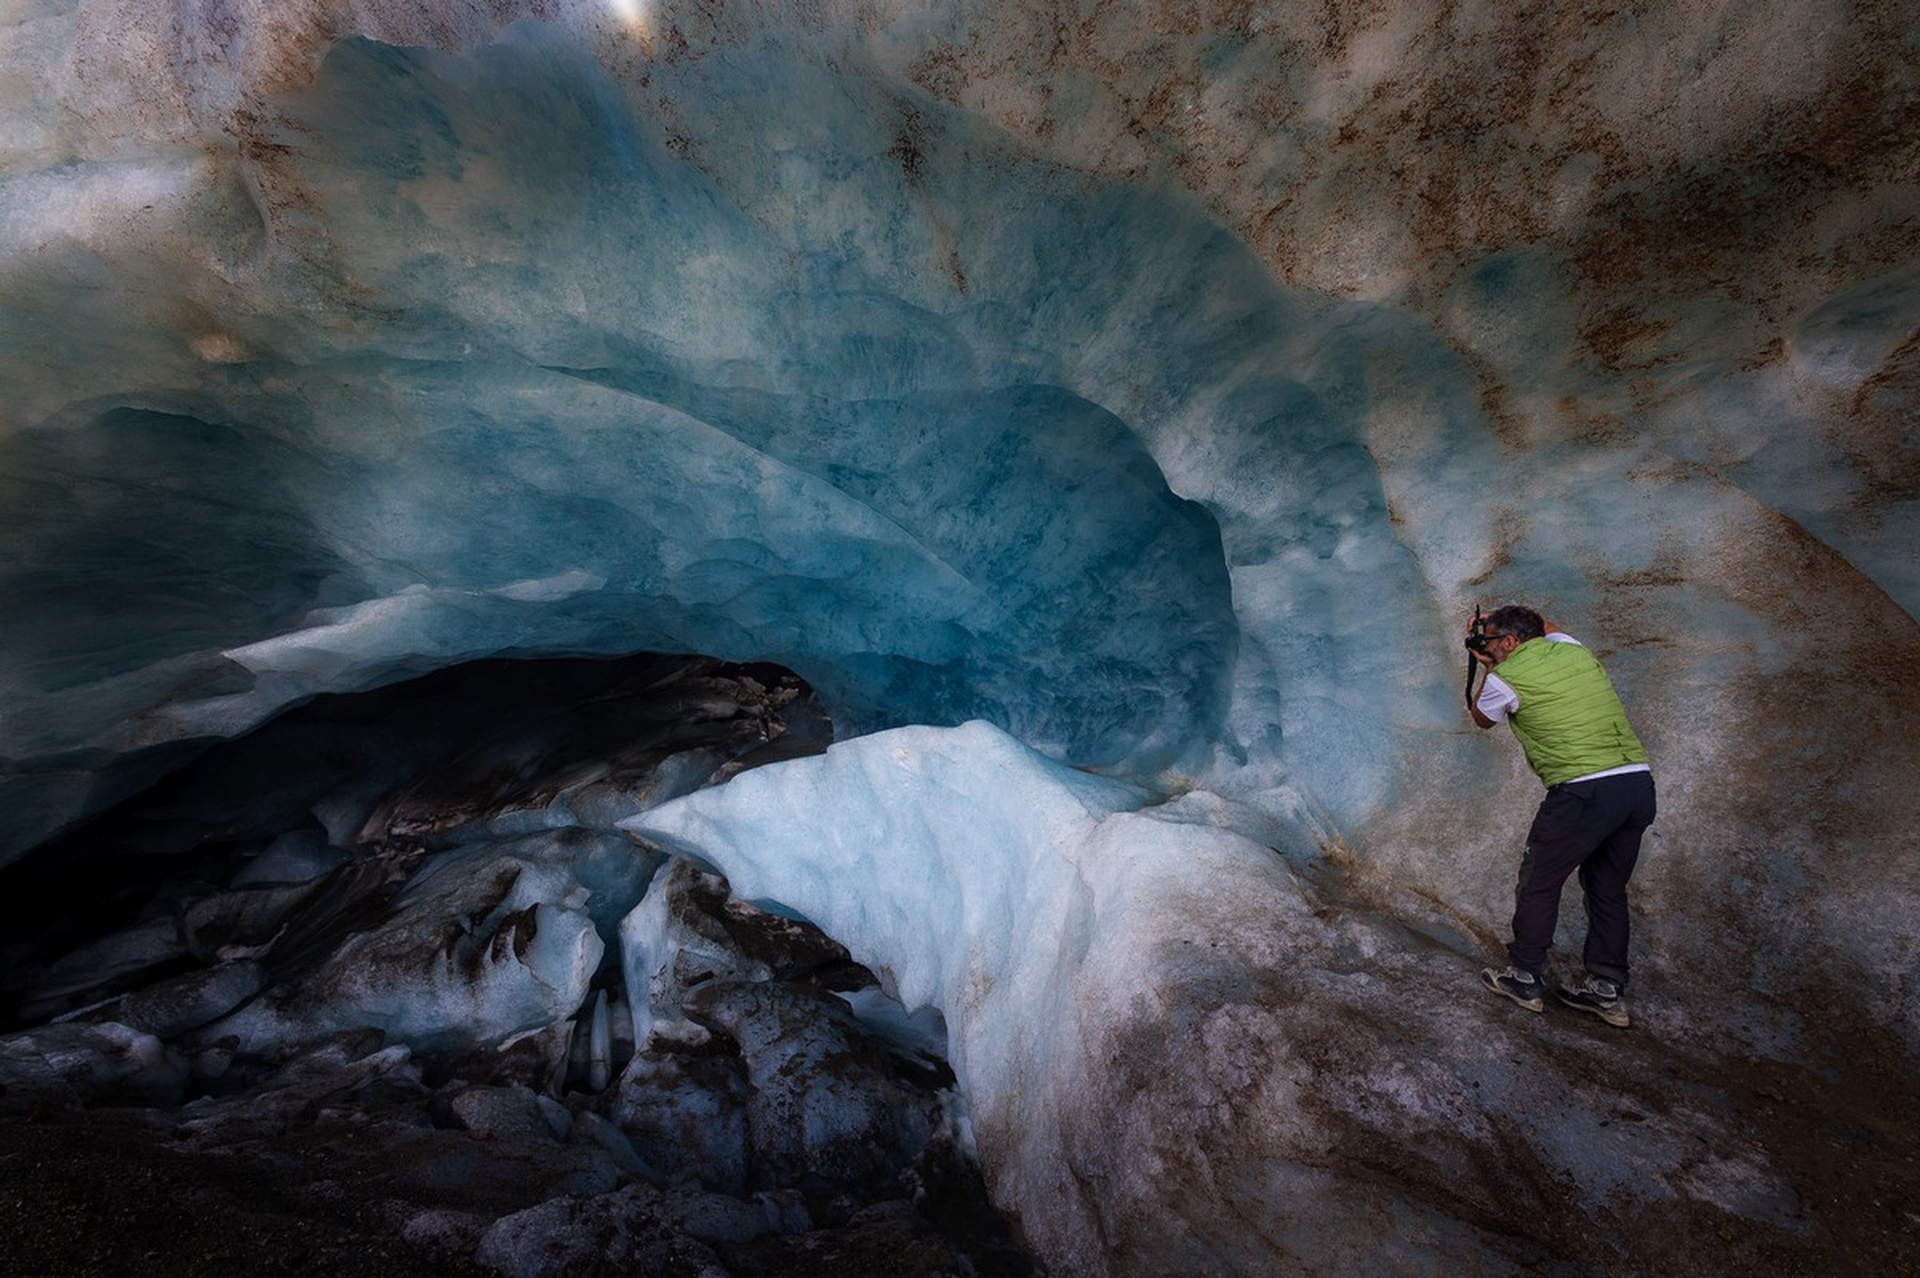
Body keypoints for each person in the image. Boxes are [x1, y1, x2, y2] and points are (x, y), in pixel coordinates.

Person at [1466, 605, 1655, 1027]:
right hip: (1636, 785)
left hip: (1583, 790)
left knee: (1539, 883)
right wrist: (1500, 629)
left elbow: (1481, 719)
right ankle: (1606, 990)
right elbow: (1543, 625)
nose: (1486, 645)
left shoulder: (1504, 678)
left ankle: (1525, 978)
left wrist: (1485, 666)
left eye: (1492, 639)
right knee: (1608, 888)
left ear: (1510, 643)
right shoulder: (1573, 650)